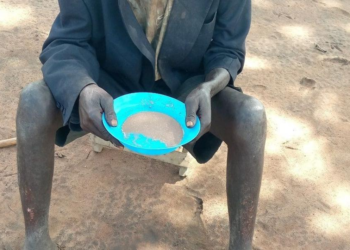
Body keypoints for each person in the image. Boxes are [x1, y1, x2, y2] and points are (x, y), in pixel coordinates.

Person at [16, 0, 266, 249]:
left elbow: (228, 49)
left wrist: (209, 86)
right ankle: (36, 240)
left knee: (251, 117)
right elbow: (68, 41)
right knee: (33, 102)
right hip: (111, 81)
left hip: (186, 89)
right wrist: (83, 87)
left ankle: (241, 245)